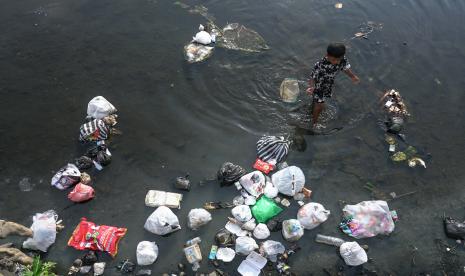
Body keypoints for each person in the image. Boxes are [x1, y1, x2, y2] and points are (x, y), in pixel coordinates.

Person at [306, 43, 360, 128]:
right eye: (334, 60)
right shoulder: (320, 65)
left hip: (329, 84)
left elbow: (345, 68)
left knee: (320, 102)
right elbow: (312, 77)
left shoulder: (342, 59)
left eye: (339, 60)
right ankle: (314, 123)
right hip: (319, 86)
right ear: (327, 55)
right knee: (318, 106)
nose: (337, 62)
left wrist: (353, 76)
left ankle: (317, 104)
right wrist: (311, 87)